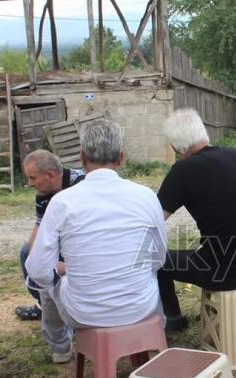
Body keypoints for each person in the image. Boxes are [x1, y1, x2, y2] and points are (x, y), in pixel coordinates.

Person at [25, 119, 167, 362]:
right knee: (149, 277)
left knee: (49, 287)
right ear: (122, 158)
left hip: (84, 313)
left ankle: (60, 348)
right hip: (141, 307)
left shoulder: (62, 202)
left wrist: (62, 272)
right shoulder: (146, 196)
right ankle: (153, 337)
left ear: (81, 157)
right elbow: (159, 257)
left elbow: (37, 270)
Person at [156, 109, 236, 332]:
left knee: (158, 261)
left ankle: (173, 320)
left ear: (176, 147)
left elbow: (154, 220)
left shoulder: (182, 171)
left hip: (229, 272)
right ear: (205, 134)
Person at [14, 150, 84, 321]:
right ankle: (44, 304)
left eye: (32, 178)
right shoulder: (43, 195)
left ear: (51, 175)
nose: (29, 184)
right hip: (61, 241)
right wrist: (34, 255)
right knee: (26, 252)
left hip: (80, 243)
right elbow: (39, 227)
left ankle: (72, 309)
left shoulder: (80, 184)